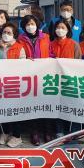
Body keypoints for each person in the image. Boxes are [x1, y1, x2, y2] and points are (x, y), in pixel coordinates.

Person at [17, 15, 52, 145]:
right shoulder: (20, 39)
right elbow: (18, 55)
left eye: (32, 24)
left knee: (46, 104)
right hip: (29, 76)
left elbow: (51, 53)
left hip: (44, 75)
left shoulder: (46, 37)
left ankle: (47, 131)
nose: (30, 26)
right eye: (27, 24)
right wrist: (24, 60)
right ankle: (34, 132)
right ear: (24, 26)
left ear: (37, 25)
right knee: (33, 104)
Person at [0, 22, 25, 148]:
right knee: (3, 109)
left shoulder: (19, 47)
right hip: (0, 83)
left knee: (15, 109)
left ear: (14, 35)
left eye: (9, 33)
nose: (6, 34)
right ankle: (5, 132)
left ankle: (17, 136)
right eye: (4, 32)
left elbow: (23, 65)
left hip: (14, 83)